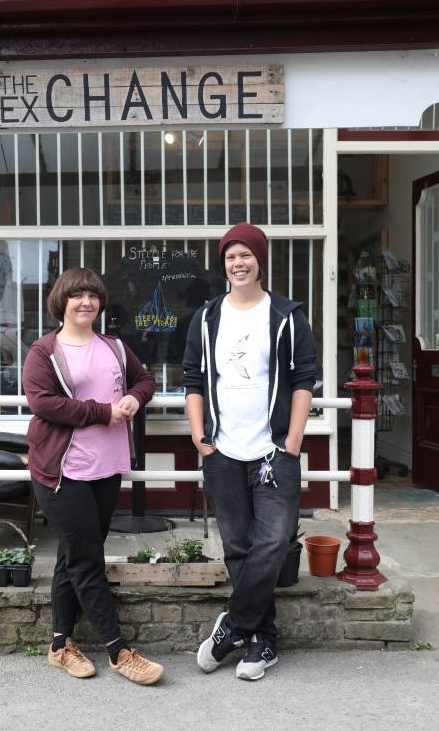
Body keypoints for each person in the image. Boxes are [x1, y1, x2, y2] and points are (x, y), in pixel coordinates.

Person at [182, 223, 316, 681]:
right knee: (238, 546)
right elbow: (194, 381)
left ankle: (233, 624)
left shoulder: (286, 315)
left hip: (273, 450)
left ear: (260, 260)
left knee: (274, 542)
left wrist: (292, 442)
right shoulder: (206, 317)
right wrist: (201, 436)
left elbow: (303, 381)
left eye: (246, 255)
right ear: (223, 264)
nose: (238, 263)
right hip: (222, 450)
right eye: (230, 257)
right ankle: (261, 639)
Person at [22, 267, 163, 686]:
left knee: (73, 555)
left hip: (106, 467)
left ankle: (59, 644)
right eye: (76, 296)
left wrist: (135, 399)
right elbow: (44, 403)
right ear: (61, 302)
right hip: (63, 471)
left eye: (93, 296)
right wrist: (105, 411)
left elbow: (145, 379)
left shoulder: (115, 347)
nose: (86, 302)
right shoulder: (43, 352)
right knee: (87, 560)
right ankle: (119, 650)